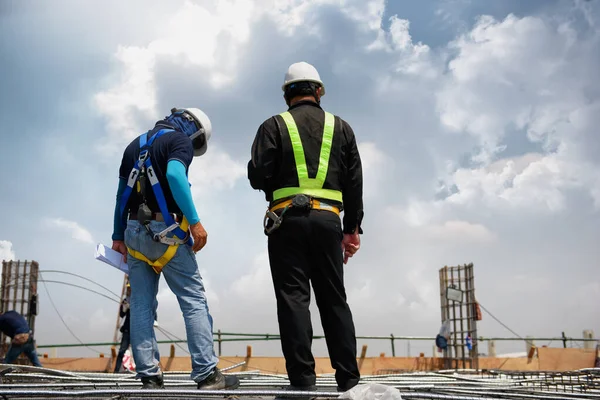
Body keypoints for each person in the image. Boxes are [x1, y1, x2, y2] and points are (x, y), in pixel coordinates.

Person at [247, 62, 364, 394]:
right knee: (334, 300)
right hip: (329, 221)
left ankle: (303, 382)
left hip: (286, 221)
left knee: (293, 299)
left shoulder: (273, 125)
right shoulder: (341, 128)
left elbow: (258, 175)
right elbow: (354, 182)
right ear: (319, 91)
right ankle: (349, 381)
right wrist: (351, 228)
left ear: (287, 94)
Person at [111, 107, 239, 390]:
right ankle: (206, 373)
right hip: (166, 233)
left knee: (142, 303)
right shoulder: (178, 141)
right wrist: (194, 222)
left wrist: (117, 234)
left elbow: (122, 194)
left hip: (134, 234)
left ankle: (149, 376)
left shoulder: (134, 145)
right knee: (192, 299)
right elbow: (175, 176)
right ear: (193, 129)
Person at [114, 282, 131, 373]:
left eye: (130, 288)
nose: (129, 290)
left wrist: (133, 307)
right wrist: (125, 307)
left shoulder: (138, 298)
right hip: (127, 330)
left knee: (139, 352)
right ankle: (116, 371)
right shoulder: (125, 300)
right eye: (128, 289)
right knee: (122, 351)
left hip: (137, 330)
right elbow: (121, 314)